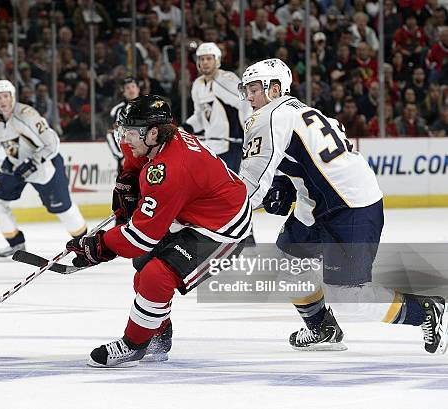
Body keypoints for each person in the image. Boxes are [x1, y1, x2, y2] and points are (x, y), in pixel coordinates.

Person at [237, 58, 448, 354]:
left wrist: (219, 215)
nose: (250, 97)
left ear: (275, 88)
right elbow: (311, 163)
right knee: (290, 263)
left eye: (256, 88)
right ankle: (322, 328)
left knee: (349, 296)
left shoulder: (269, 117)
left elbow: (252, 184)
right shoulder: (302, 111)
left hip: (350, 206)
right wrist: (284, 188)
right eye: (247, 89)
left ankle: (424, 310)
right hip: (321, 201)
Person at [65, 95, 252, 367]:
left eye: (130, 131)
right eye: (124, 129)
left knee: (157, 274)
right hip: (192, 213)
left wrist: (100, 246)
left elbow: (140, 238)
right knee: (143, 267)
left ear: (152, 132)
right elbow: (132, 158)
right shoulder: (154, 142)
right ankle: (157, 334)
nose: (125, 138)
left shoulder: (171, 168)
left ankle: (134, 345)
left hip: (222, 227)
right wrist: (128, 180)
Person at [0, 80, 87, 261]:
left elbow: (52, 144)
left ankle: (85, 245)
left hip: (44, 165)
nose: (3, 100)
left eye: (6, 96)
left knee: (63, 209)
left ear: (12, 97)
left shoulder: (26, 115)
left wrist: (33, 162)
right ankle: (16, 243)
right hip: (14, 165)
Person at [184, 42, 251, 173]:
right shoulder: (197, 84)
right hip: (210, 147)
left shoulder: (227, 78)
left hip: (231, 145)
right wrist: (184, 128)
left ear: (217, 60)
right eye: (201, 59)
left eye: (209, 58)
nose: (205, 62)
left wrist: (249, 131)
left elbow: (246, 102)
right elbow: (200, 116)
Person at [106, 77, 140, 173]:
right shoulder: (117, 110)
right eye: (127, 88)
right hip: (127, 159)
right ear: (123, 92)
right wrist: (122, 157)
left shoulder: (148, 107)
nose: (131, 90)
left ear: (138, 89)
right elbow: (111, 134)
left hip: (145, 158)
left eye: (133, 86)